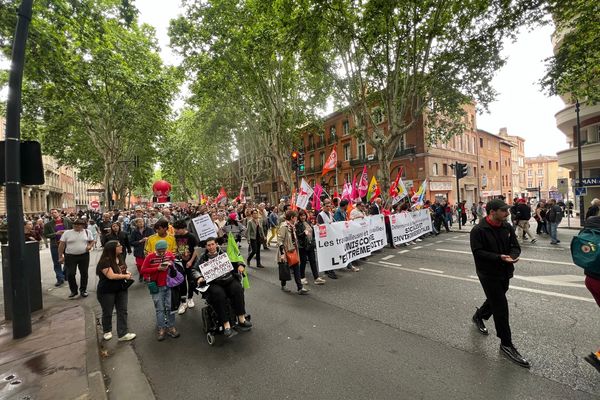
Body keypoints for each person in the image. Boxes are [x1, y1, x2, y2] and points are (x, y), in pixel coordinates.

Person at [470, 199, 530, 368]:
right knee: (500, 306)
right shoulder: (478, 230)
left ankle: (479, 316)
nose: (507, 213)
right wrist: (499, 257)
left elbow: (515, 246)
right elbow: (478, 252)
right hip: (488, 273)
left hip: (505, 271)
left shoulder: (506, 226)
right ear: (492, 212)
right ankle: (506, 343)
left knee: (496, 298)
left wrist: (512, 255)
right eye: (504, 211)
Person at [191, 237, 253, 337]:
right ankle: (226, 324)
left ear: (216, 244)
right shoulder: (203, 257)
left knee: (237, 289)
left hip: (228, 279)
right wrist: (199, 277)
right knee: (219, 294)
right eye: (208, 245)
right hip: (214, 282)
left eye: (212, 244)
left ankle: (241, 318)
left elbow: (237, 259)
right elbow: (194, 270)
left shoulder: (225, 253)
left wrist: (240, 265)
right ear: (206, 247)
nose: (211, 247)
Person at [96, 240, 136, 342]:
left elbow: (121, 269)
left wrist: (126, 272)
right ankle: (107, 330)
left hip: (121, 288)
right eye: (119, 245)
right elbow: (111, 276)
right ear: (112, 249)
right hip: (107, 291)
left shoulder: (120, 257)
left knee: (122, 311)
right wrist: (125, 276)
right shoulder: (105, 261)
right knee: (108, 311)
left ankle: (122, 334)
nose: (121, 246)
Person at [141, 240, 180, 341]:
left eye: (164, 250)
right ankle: (161, 328)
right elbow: (143, 270)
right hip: (157, 286)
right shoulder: (150, 257)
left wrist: (171, 265)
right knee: (160, 309)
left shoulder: (169, 254)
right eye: (159, 251)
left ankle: (171, 327)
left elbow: (174, 265)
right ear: (156, 249)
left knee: (170, 308)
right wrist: (157, 269)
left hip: (169, 285)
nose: (162, 253)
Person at [58, 219, 95, 299]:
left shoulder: (87, 232)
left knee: (84, 273)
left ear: (83, 225)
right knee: (70, 274)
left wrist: (90, 246)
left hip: (84, 256)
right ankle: (74, 291)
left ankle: (83, 290)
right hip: (70, 256)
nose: (77, 226)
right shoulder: (67, 233)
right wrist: (60, 256)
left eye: (79, 224)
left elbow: (92, 241)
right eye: (75, 224)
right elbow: (61, 245)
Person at [278, 210, 309, 294]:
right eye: (295, 217)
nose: (296, 218)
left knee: (296, 268)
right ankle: (283, 284)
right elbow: (280, 240)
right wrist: (282, 253)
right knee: (285, 268)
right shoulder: (284, 226)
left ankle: (300, 288)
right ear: (292, 218)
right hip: (286, 251)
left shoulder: (292, 226)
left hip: (293, 250)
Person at [173, 219, 198, 314]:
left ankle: (190, 298)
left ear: (183, 228)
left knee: (191, 280)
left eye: (177, 230)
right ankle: (183, 302)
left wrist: (191, 261)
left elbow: (196, 249)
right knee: (181, 281)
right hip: (180, 262)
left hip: (191, 262)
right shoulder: (176, 236)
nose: (176, 231)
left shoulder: (191, 236)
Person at [44, 208, 72, 287]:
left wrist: (66, 231)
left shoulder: (67, 221)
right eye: (52, 213)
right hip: (55, 245)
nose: (54, 214)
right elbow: (46, 235)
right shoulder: (48, 224)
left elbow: (72, 230)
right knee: (57, 262)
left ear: (59, 213)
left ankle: (64, 274)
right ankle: (60, 279)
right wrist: (56, 233)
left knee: (68, 260)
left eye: (55, 212)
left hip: (67, 244)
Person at [296, 209, 325, 285]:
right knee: (303, 262)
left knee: (313, 261)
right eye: (301, 215)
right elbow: (298, 236)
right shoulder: (297, 224)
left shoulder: (308, 222)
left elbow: (313, 232)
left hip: (310, 245)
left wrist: (316, 227)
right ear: (299, 216)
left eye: (304, 215)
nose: (303, 217)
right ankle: (302, 277)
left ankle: (316, 278)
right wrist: (303, 233)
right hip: (302, 246)